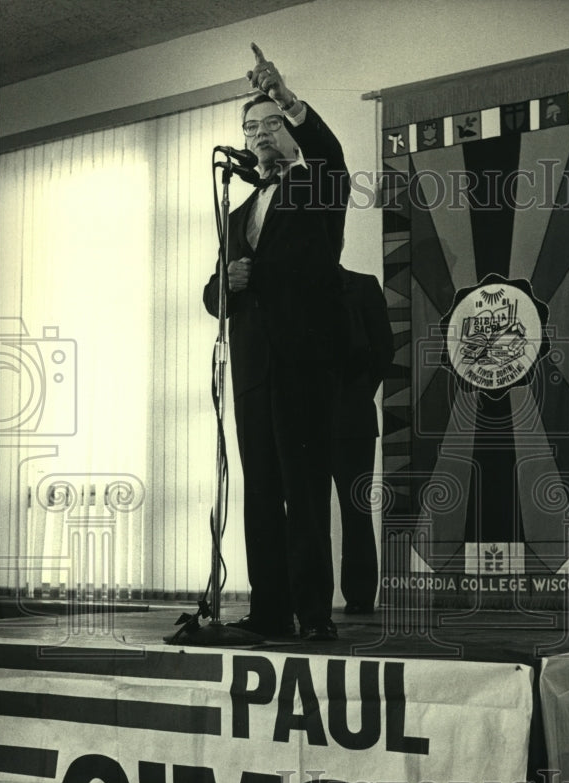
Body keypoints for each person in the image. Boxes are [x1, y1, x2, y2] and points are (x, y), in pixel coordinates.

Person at [203, 43, 350, 642]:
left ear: (289, 134)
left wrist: (287, 97)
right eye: (250, 126)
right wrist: (226, 287)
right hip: (253, 370)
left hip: (303, 365)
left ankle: (313, 615)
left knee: (304, 490)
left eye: (270, 123)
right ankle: (269, 610)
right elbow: (215, 292)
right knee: (260, 490)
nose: (259, 133)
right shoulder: (237, 211)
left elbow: (330, 153)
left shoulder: (317, 189)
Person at [332, 266, 394, 614]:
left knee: (355, 508)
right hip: (315, 417)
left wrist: (355, 393)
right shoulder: (358, 286)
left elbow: (384, 349)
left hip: (350, 413)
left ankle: (359, 596)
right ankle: (312, 596)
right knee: (306, 513)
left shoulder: (362, 285)